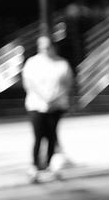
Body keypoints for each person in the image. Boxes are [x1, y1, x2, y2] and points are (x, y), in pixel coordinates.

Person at [21, 35, 74, 183]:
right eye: (42, 47)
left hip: (56, 105)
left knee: (51, 135)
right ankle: (35, 166)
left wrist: (54, 98)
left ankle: (50, 164)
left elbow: (67, 83)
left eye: (47, 46)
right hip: (37, 104)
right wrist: (44, 98)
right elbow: (29, 83)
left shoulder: (61, 63)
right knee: (38, 136)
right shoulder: (32, 63)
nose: (45, 50)